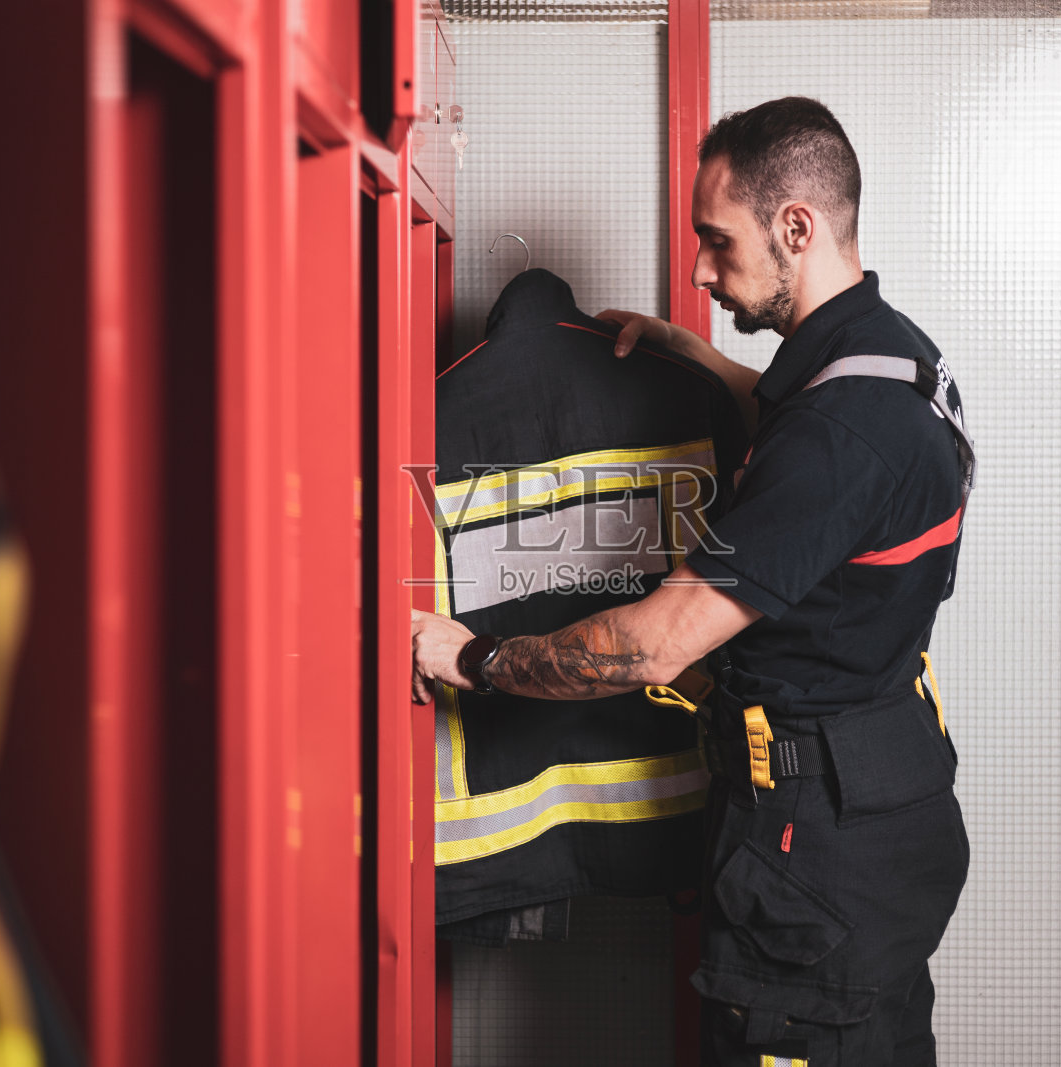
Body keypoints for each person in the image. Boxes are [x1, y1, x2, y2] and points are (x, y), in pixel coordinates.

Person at [412, 96, 971, 1067]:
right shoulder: (890, 355)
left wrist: (478, 657)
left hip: (815, 852)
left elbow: (650, 645)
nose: (702, 270)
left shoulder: (839, 433)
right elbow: (810, 437)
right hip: (879, 794)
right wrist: (693, 356)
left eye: (718, 240)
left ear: (796, 226)